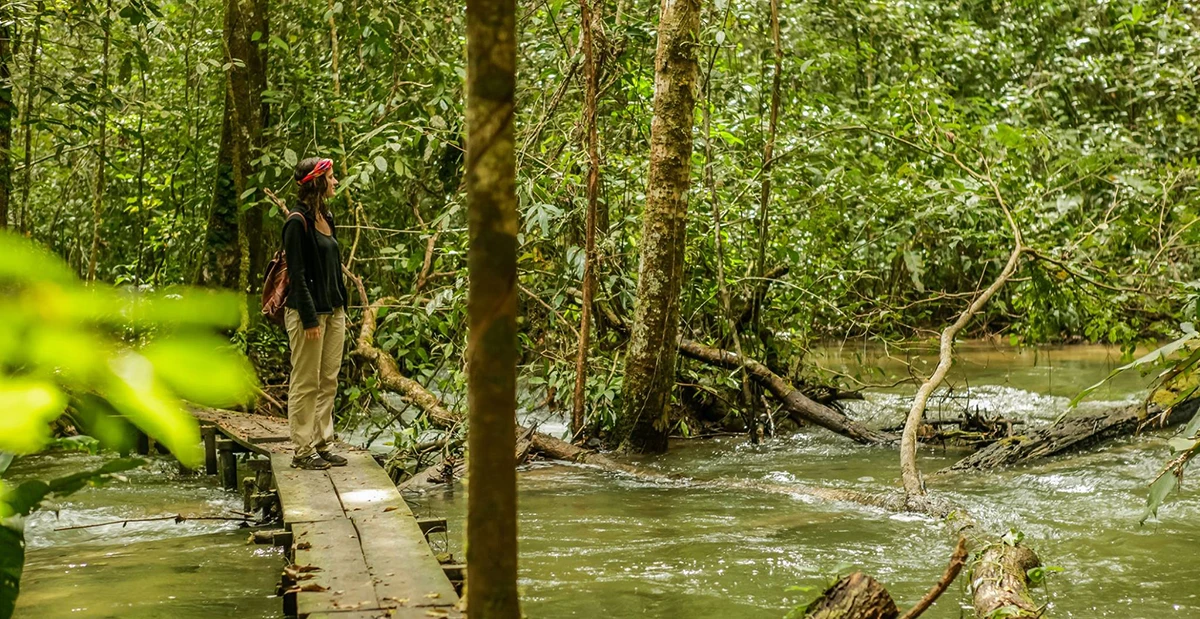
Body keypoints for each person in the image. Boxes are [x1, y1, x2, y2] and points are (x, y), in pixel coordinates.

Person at [283, 157, 350, 470]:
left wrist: (341, 305)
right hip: (308, 315)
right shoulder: (297, 222)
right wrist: (310, 319)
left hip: (334, 311)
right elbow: (296, 274)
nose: (336, 182)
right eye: (332, 177)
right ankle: (302, 450)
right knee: (306, 382)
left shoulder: (327, 216)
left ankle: (323, 443)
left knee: (328, 380)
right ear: (317, 182)